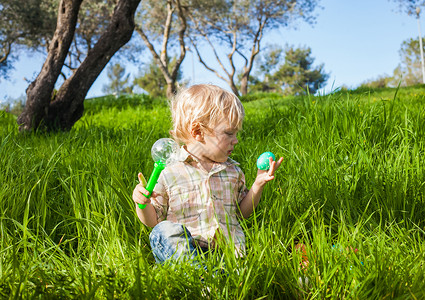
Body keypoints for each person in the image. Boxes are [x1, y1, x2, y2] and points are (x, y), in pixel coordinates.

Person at [132, 84, 283, 264]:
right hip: (187, 249)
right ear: (197, 132)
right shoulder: (170, 173)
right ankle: (198, 274)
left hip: (227, 251)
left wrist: (257, 185)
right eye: (229, 133)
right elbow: (153, 221)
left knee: (237, 261)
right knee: (162, 232)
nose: (235, 141)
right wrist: (142, 204)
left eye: (236, 134)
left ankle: (208, 280)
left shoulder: (233, 171)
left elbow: (242, 214)